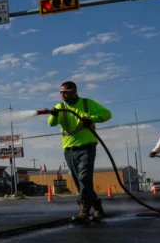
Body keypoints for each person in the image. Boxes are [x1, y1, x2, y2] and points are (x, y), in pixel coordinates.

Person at [46, 81, 112, 223]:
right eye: (61, 92)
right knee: (80, 182)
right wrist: (53, 114)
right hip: (69, 150)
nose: (62, 95)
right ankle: (98, 209)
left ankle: (83, 211)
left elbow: (107, 114)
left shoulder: (87, 104)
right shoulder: (60, 107)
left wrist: (91, 119)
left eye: (65, 92)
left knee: (84, 179)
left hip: (87, 147)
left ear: (74, 91)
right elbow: (51, 123)